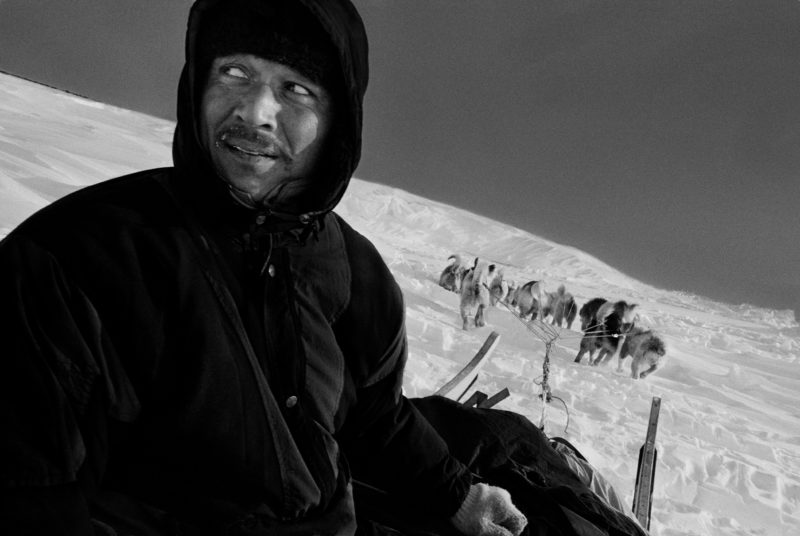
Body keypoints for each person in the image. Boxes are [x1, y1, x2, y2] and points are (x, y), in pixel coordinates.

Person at [0, 1, 528, 535]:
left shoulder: (357, 273)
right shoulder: (74, 258)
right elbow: (30, 493)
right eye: (234, 73)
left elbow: (373, 418)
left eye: (296, 89)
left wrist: (458, 497)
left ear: (337, 122)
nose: (254, 113)